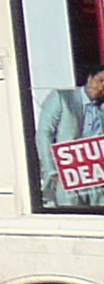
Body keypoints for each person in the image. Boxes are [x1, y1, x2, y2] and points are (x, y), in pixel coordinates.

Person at [36, 62, 104, 210]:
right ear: (90, 78)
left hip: (97, 174)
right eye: (100, 81)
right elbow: (45, 133)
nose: (101, 88)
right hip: (66, 171)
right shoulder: (62, 98)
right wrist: (51, 171)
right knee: (72, 212)